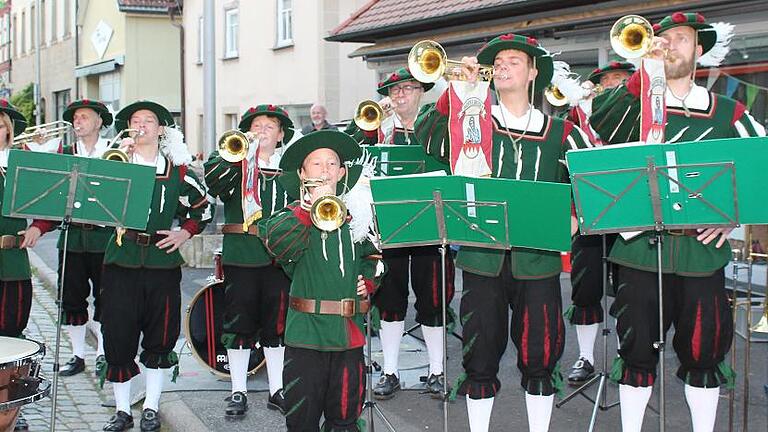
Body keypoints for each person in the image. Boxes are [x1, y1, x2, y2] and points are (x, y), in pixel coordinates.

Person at [589, 12, 765, 432]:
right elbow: (599, 123)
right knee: (634, 353)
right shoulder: (632, 103)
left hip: (702, 254)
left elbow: (760, 170)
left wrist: (734, 217)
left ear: (699, 50)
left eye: (680, 39)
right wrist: (644, 73)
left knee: (705, 352)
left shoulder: (729, 111)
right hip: (639, 250)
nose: (669, 46)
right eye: (661, 39)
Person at [416, 33, 591, 432]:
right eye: (498, 61)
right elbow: (426, 135)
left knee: (541, 355)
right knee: (479, 356)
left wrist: (577, 218)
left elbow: (596, 181)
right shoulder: (472, 120)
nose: (504, 65)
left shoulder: (561, 131)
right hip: (482, 259)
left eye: (515, 60)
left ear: (533, 72)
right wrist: (455, 90)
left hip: (538, 262)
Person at [99, 100, 214, 432]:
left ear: (161, 129)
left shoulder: (176, 171)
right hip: (121, 259)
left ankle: (151, 405)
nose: (141, 125)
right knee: (118, 335)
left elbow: (202, 208)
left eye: (149, 120)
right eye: (136, 120)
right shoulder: (115, 162)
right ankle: (122, 410)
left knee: (159, 335)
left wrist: (184, 233)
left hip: (162, 262)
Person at [258, 129, 385, 431]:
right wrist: (308, 208)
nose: (325, 170)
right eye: (316, 164)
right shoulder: (289, 216)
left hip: (347, 334)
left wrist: (368, 283)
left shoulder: (358, 218)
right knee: (301, 420)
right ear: (302, 173)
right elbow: (278, 245)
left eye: (332, 163)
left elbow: (376, 260)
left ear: (342, 172)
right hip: (306, 335)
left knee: (345, 420)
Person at [345, 67, 454, 399]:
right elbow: (347, 150)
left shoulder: (436, 125)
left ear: (421, 91)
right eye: (393, 91)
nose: (400, 95)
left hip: (429, 224)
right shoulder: (379, 127)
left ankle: (437, 370)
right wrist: (372, 120)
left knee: (433, 300)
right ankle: (390, 371)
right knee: (390, 300)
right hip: (387, 225)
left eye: (407, 89)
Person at [203, 104, 294, 416]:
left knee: (277, 324)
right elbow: (213, 183)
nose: (262, 131)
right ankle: (238, 390)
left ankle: (277, 389)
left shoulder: (290, 170)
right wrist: (235, 153)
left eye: (270, 127)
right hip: (242, 254)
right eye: (257, 126)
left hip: (279, 258)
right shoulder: (235, 164)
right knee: (239, 323)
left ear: (281, 135)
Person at [24, 99, 115, 378]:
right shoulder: (63, 151)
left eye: (84, 117)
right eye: (75, 118)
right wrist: (39, 226)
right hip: (73, 238)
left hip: (105, 240)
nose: (78, 122)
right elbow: (50, 193)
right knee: (72, 300)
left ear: (99, 121)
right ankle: (77, 355)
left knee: (107, 298)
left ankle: (103, 353)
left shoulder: (115, 151)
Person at [562, 62, 634, 385]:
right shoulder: (577, 117)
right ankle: (586, 356)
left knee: (628, 289)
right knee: (585, 288)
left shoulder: (636, 113)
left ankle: (624, 354)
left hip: (626, 213)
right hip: (588, 211)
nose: (613, 85)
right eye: (607, 81)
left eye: (621, 80)